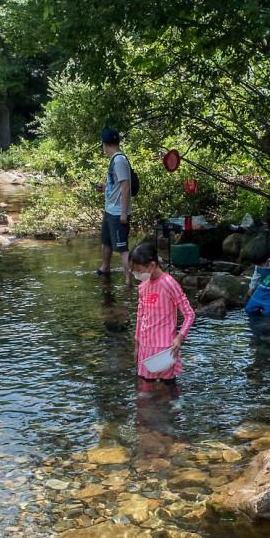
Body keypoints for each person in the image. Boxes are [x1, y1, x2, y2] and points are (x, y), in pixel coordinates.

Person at [130, 242, 195, 398]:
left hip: (165, 349)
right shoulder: (143, 286)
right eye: (134, 271)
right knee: (144, 390)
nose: (137, 275)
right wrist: (137, 346)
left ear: (152, 266)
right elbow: (140, 317)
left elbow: (189, 314)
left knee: (170, 387)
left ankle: (175, 409)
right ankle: (145, 418)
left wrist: (179, 337)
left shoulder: (169, 284)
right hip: (146, 348)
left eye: (139, 271)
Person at [96, 128, 133, 284]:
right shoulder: (116, 160)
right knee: (106, 241)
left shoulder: (119, 161)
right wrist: (105, 189)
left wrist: (123, 213)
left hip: (118, 212)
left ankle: (128, 280)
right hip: (110, 209)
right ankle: (105, 267)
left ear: (104, 145)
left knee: (122, 248)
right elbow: (118, 185)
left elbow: (126, 187)